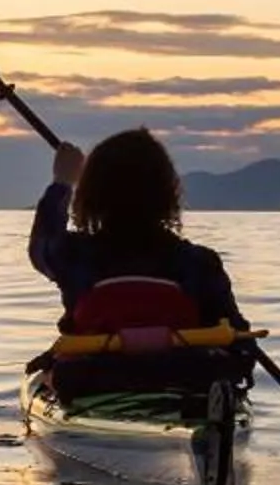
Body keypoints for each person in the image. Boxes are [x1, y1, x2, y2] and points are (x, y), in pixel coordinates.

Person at [28, 128, 245, 336]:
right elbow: (238, 343)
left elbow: (42, 245)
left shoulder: (74, 257)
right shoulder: (200, 265)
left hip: (93, 373)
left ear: (91, 195)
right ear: (168, 193)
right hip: (181, 373)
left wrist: (63, 181)